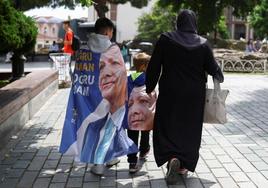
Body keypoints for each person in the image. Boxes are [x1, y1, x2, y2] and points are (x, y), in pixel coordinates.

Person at [145, 10, 224, 185]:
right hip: (194, 96)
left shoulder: (166, 39)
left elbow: (154, 66)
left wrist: (149, 87)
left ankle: (172, 157)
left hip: (170, 92)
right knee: (190, 130)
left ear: (178, 22)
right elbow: (213, 68)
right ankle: (182, 166)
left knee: (168, 125)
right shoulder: (203, 44)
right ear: (194, 23)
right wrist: (219, 74)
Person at [59, 17, 137, 176]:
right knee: (108, 128)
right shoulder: (112, 49)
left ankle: (108, 159)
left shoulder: (83, 48)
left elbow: (78, 73)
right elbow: (121, 73)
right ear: (108, 31)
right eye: (111, 32)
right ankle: (99, 164)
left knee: (94, 128)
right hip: (108, 97)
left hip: (88, 98)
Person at [126, 53, 155, 173]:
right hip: (145, 113)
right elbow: (153, 96)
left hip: (131, 114)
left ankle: (132, 162)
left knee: (131, 137)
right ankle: (144, 150)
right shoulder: (149, 79)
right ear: (144, 66)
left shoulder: (129, 78)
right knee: (145, 132)